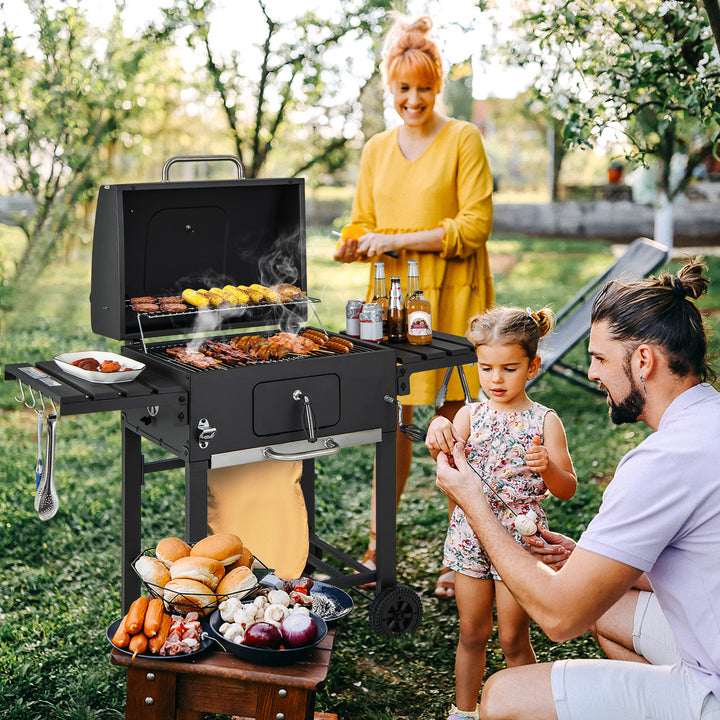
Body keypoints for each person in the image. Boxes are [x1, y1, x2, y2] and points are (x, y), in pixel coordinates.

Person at [435, 259, 720, 720]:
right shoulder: (710, 420)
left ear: (643, 361)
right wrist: (582, 560)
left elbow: (560, 618)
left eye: (600, 358)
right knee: (607, 613)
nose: (591, 373)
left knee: (503, 696)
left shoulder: (662, 461)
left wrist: (472, 499)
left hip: (714, 685)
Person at [333, 12, 494, 598]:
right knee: (392, 424)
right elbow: (363, 220)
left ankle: (462, 555)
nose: (413, 98)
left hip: (451, 301)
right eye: (403, 88)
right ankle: (381, 541)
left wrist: (395, 241)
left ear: (438, 86)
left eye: (424, 88)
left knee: (454, 429)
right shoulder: (376, 150)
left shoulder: (463, 141)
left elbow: (475, 227)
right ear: (389, 88)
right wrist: (355, 243)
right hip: (393, 306)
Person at [426, 306, 577, 720]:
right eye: (485, 367)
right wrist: (435, 431)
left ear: (532, 366)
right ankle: (463, 712)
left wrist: (548, 467)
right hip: (470, 538)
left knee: (512, 636)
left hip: (520, 542)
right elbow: (444, 457)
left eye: (509, 368)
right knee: (472, 632)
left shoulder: (545, 421)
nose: (495, 379)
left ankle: (526, 710)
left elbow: (567, 488)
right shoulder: (469, 416)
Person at [528, 527, 680, 666]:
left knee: (602, 609)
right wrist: (586, 561)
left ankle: (680, 686)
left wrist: (594, 566)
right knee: (603, 607)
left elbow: (559, 624)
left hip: (701, 636)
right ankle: (668, 683)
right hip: (695, 609)